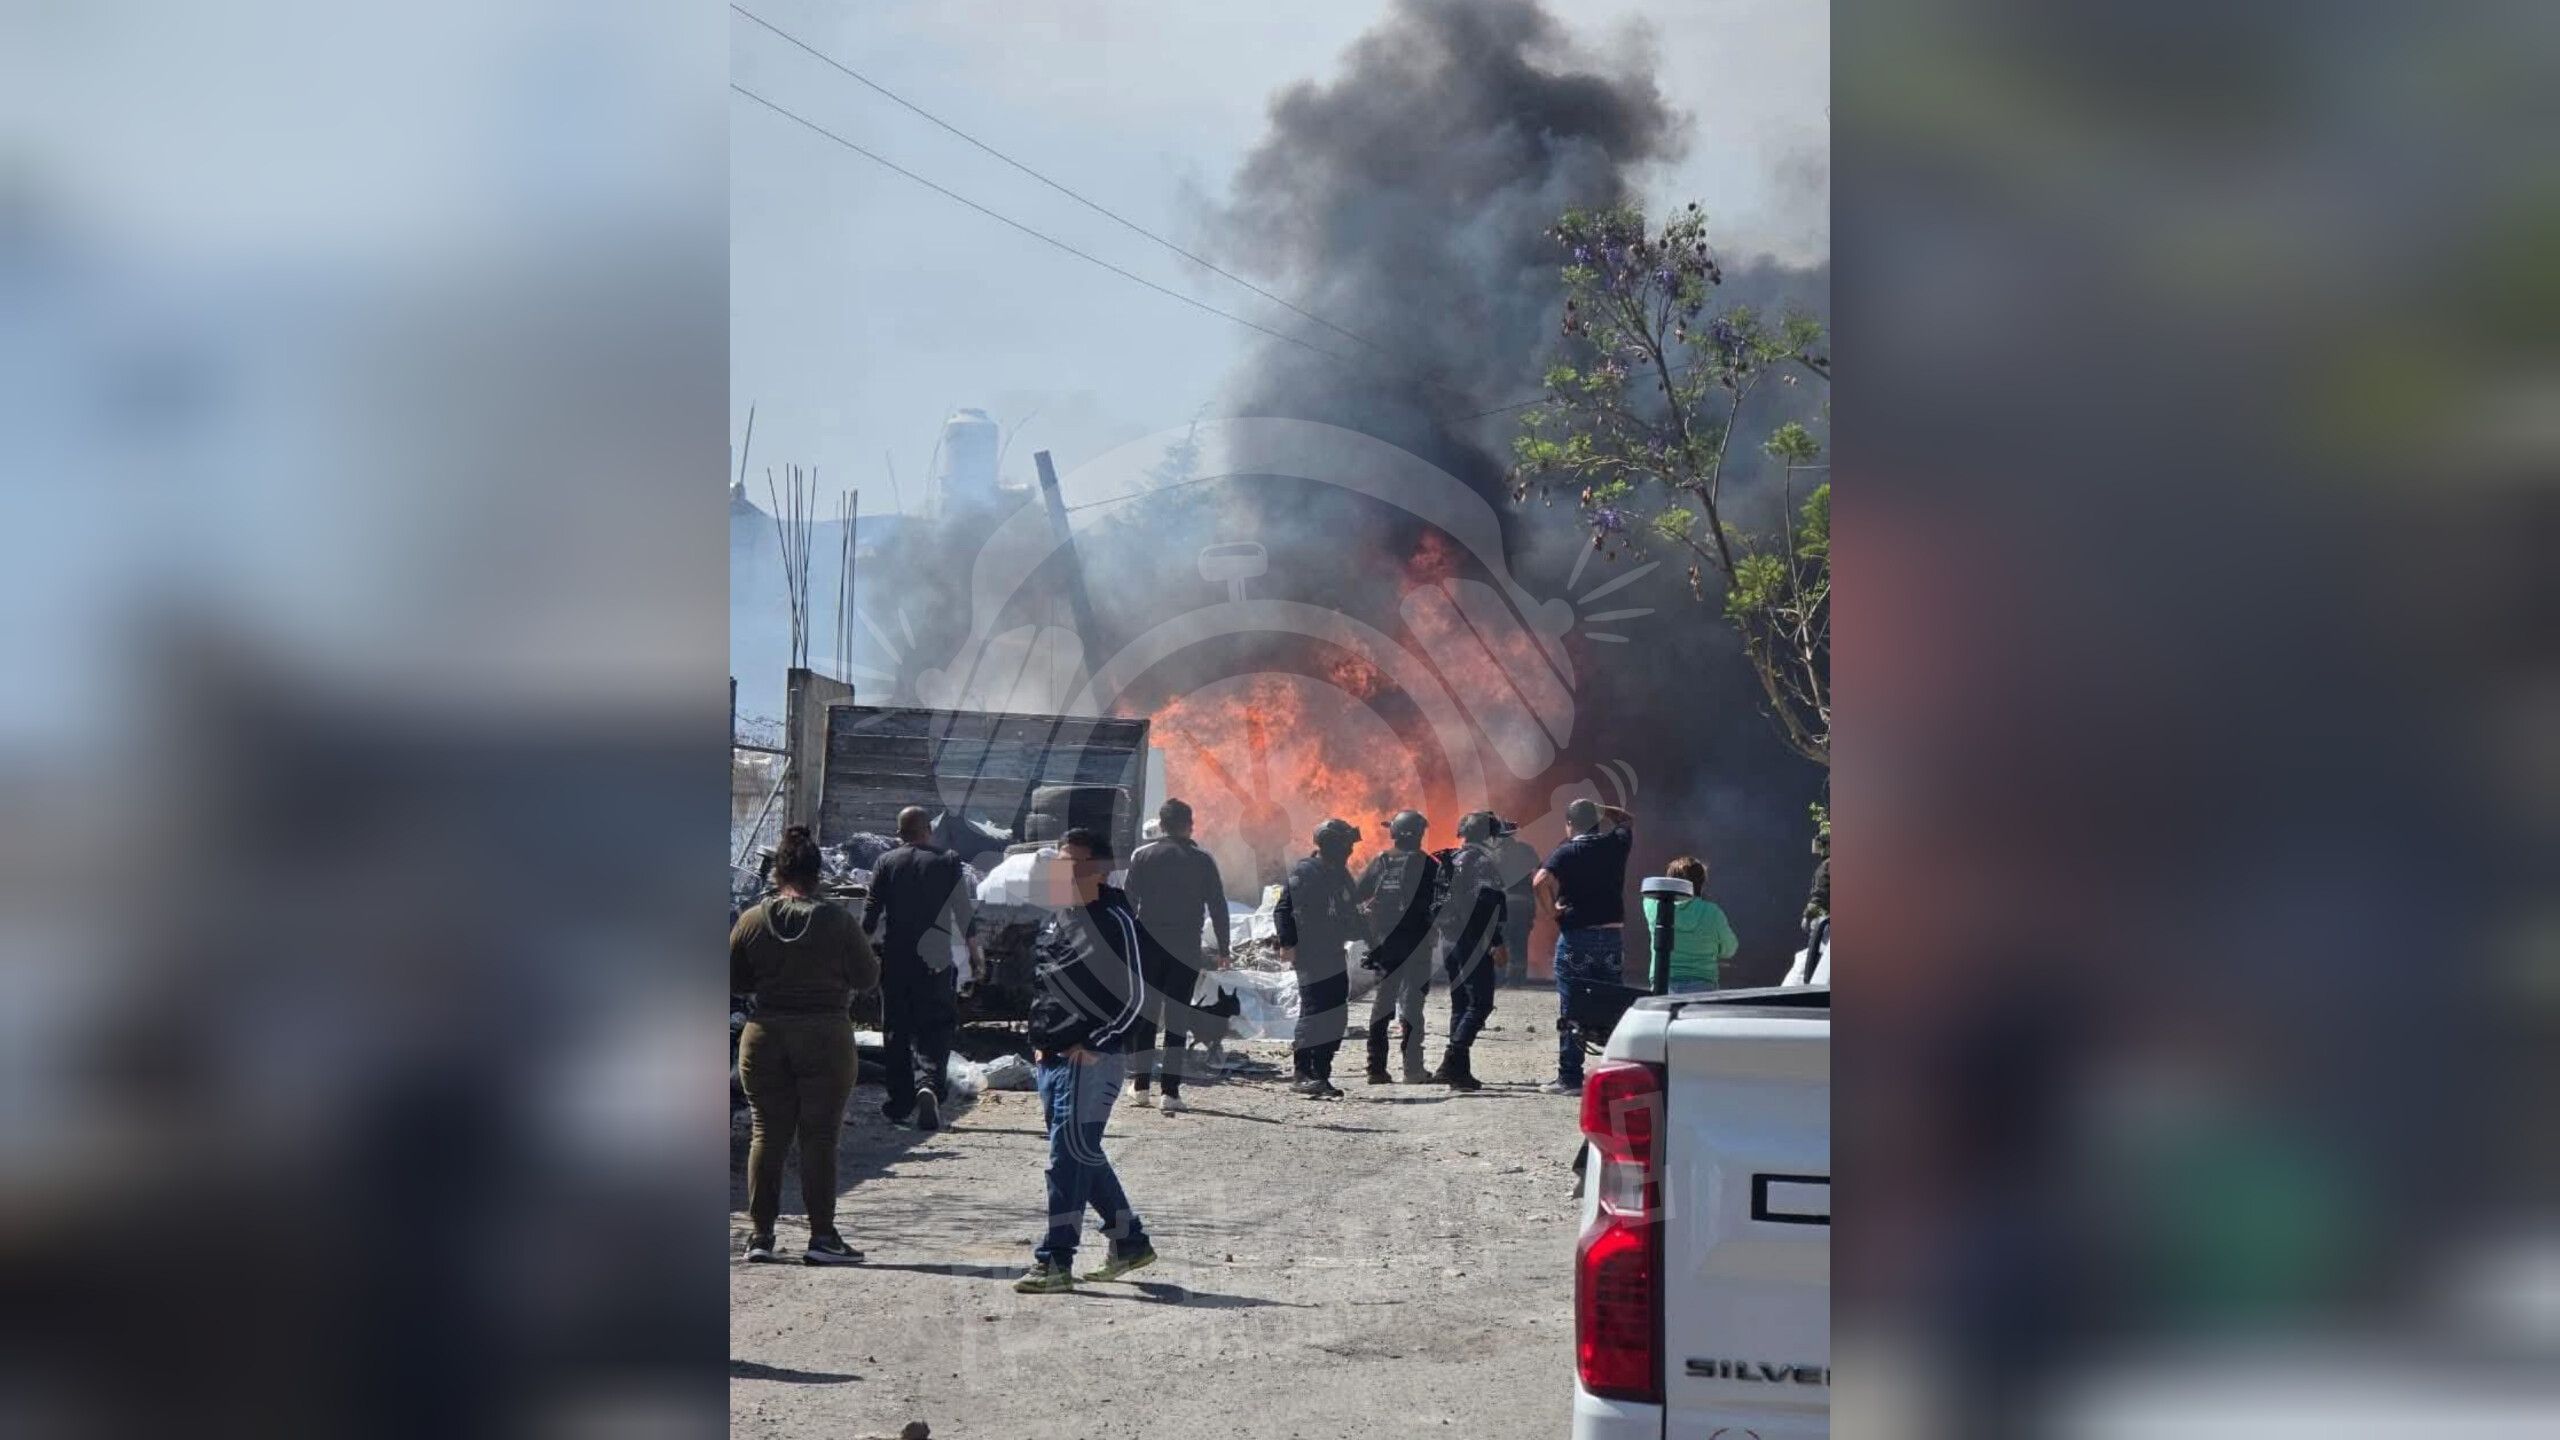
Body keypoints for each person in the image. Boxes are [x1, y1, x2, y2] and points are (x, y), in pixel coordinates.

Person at [1015, 828, 1160, 1294]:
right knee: (1082, 1156)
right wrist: (1040, 1039)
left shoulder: (1115, 919)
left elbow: (1139, 996)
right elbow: (1045, 979)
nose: (1066, 871)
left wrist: (1098, 1042)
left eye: (1076, 863)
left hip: (1091, 1062)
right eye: (1061, 862)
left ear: (1100, 869)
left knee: (1066, 1161)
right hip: (1052, 1060)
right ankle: (1129, 1242)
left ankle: (1055, 1261)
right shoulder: (1058, 914)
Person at [730, 825, 881, 1265]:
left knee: (766, 1133)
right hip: (825, 1036)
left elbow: (734, 979)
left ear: (777, 873)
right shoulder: (837, 921)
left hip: (765, 1034)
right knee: (819, 1136)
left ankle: (760, 1236)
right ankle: (822, 1238)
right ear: (818, 875)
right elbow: (867, 978)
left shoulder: (752, 920)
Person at [862, 805, 978, 1133]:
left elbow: (870, 913)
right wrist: (974, 952)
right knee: (936, 1025)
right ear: (928, 829)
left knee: (896, 1030)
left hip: (896, 959)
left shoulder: (886, 862)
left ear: (900, 833)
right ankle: (929, 1085)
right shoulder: (948, 860)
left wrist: (858, 952)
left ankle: (900, 1103)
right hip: (935, 958)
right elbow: (962, 909)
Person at [1124, 797, 1230, 1114]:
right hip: (1185, 949)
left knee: (1146, 1015)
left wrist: (1125, 945)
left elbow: (1127, 904)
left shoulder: (1142, 855)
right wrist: (1224, 950)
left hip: (1148, 948)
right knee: (1177, 1018)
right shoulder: (1202, 860)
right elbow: (1219, 907)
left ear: (1161, 824)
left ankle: (1141, 1086)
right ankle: (1170, 1092)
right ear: (1189, 825)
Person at [1533, 797, 1634, 1094]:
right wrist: (1603, 810)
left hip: (1577, 936)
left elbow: (1539, 882)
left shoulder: (1566, 851)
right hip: (1612, 936)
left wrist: (1552, 912)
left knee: (1573, 1005)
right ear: (1597, 821)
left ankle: (1570, 1078)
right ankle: (1615, 1074)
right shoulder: (1616, 843)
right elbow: (1627, 820)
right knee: (1612, 1005)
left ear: (1569, 824)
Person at [1274, 817, 1361, 1099]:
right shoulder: (1307, 871)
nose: (1350, 850)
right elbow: (1283, 909)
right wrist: (1287, 943)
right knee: (1314, 1012)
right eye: (1345, 844)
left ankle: (1322, 1074)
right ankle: (1302, 1073)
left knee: (1336, 1014)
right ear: (1331, 844)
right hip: (1311, 953)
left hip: (1334, 951)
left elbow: (1351, 911)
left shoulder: (1341, 874)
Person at [1356, 809, 1443, 1084]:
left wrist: (1368, 927)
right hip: (1417, 944)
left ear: (1394, 832)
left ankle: (1376, 1069)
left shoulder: (1381, 862)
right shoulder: (1429, 864)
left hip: (1385, 944)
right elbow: (1442, 903)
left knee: (1382, 1004)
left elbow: (1357, 894)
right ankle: (1413, 1069)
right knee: (1413, 1005)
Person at [1428, 811, 1511, 1091]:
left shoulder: (1450, 859)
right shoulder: (1482, 863)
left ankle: (1459, 1072)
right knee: (1481, 1003)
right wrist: (1496, 942)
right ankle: (1451, 1060)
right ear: (1490, 837)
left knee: (1461, 1003)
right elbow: (1487, 905)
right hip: (1472, 941)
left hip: (1449, 940)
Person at [1641, 855, 1740, 995]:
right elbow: (1730, 949)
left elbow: (1651, 892)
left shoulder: (1653, 907)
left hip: (1663, 984)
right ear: (1701, 884)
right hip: (1703, 986)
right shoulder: (1712, 912)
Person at [1486, 817, 1540, 987]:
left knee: (1499, 942)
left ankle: (1498, 978)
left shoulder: (1491, 854)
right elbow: (1540, 872)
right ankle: (1516, 981)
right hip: (1524, 904)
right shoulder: (1526, 850)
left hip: (1501, 905)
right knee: (1519, 943)